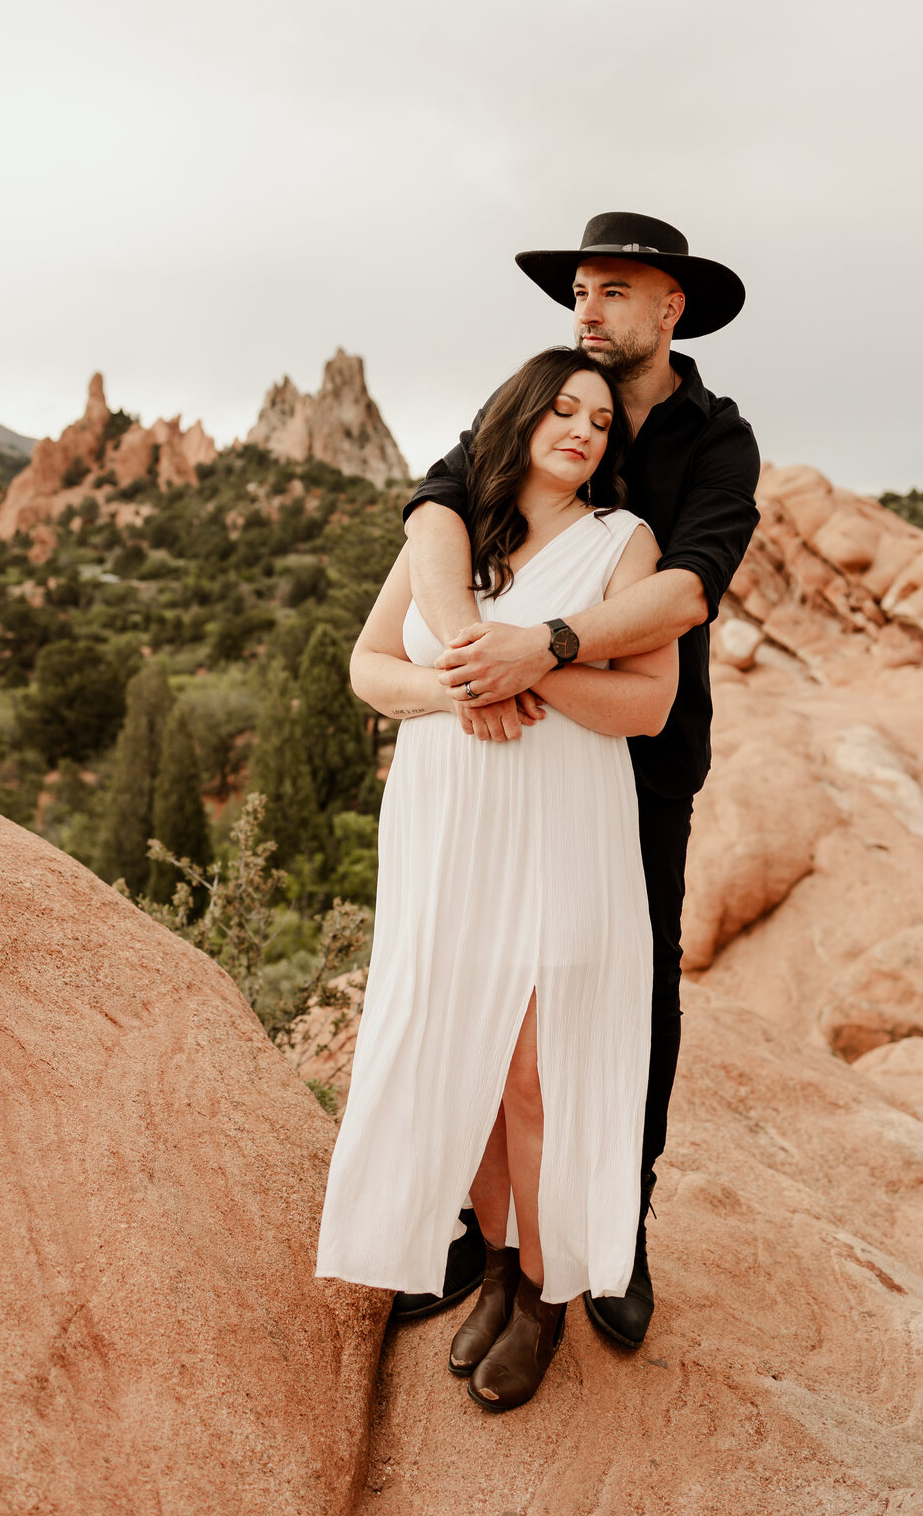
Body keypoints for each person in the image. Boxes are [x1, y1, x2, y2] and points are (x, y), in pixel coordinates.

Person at [397, 210, 760, 1348]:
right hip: (498, 756)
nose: (589, 311)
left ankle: (615, 1230)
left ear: (671, 308)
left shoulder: (718, 439)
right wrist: (470, 658)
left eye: (612, 291)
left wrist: (540, 648)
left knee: (629, 995)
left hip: (639, 762)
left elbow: (688, 592)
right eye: (580, 293)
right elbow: (436, 509)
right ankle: (473, 1227)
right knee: (474, 976)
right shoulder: (544, 400)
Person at [316, 346, 678, 1412]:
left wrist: (539, 667)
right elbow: (369, 666)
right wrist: (458, 692)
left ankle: (542, 1294)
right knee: (461, 1056)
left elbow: (648, 705)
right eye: (562, 409)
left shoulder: (624, 541)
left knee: (531, 1073)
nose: (582, 430)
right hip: (444, 825)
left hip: (562, 824)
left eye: (601, 422)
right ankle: (496, 1268)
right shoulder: (450, 527)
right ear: (519, 415)